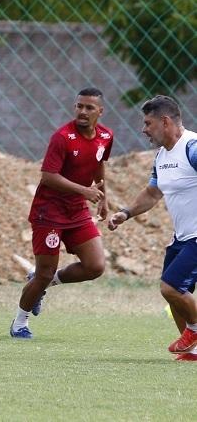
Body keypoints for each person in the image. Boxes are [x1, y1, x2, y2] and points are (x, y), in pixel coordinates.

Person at [10, 87, 112, 339]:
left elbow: (99, 163)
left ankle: (44, 282)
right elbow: (48, 176)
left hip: (76, 210)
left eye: (89, 108)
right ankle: (19, 323)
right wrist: (84, 191)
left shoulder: (106, 136)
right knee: (44, 271)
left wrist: (103, 197)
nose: (83, 111)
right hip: (50, 211)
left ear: (100, 111)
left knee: (95, 266)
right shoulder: (62, 137)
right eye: (79, 106)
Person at [107, 95, 197, 361]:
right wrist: (125, 213)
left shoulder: (191, 148)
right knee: (174, 296)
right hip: (182, 236)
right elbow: (152, 193)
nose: (143, 129)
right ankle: (192, 351)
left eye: (148, 123)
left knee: (171, 287)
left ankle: (194, 330)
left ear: (165, 121)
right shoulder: (161, 156)